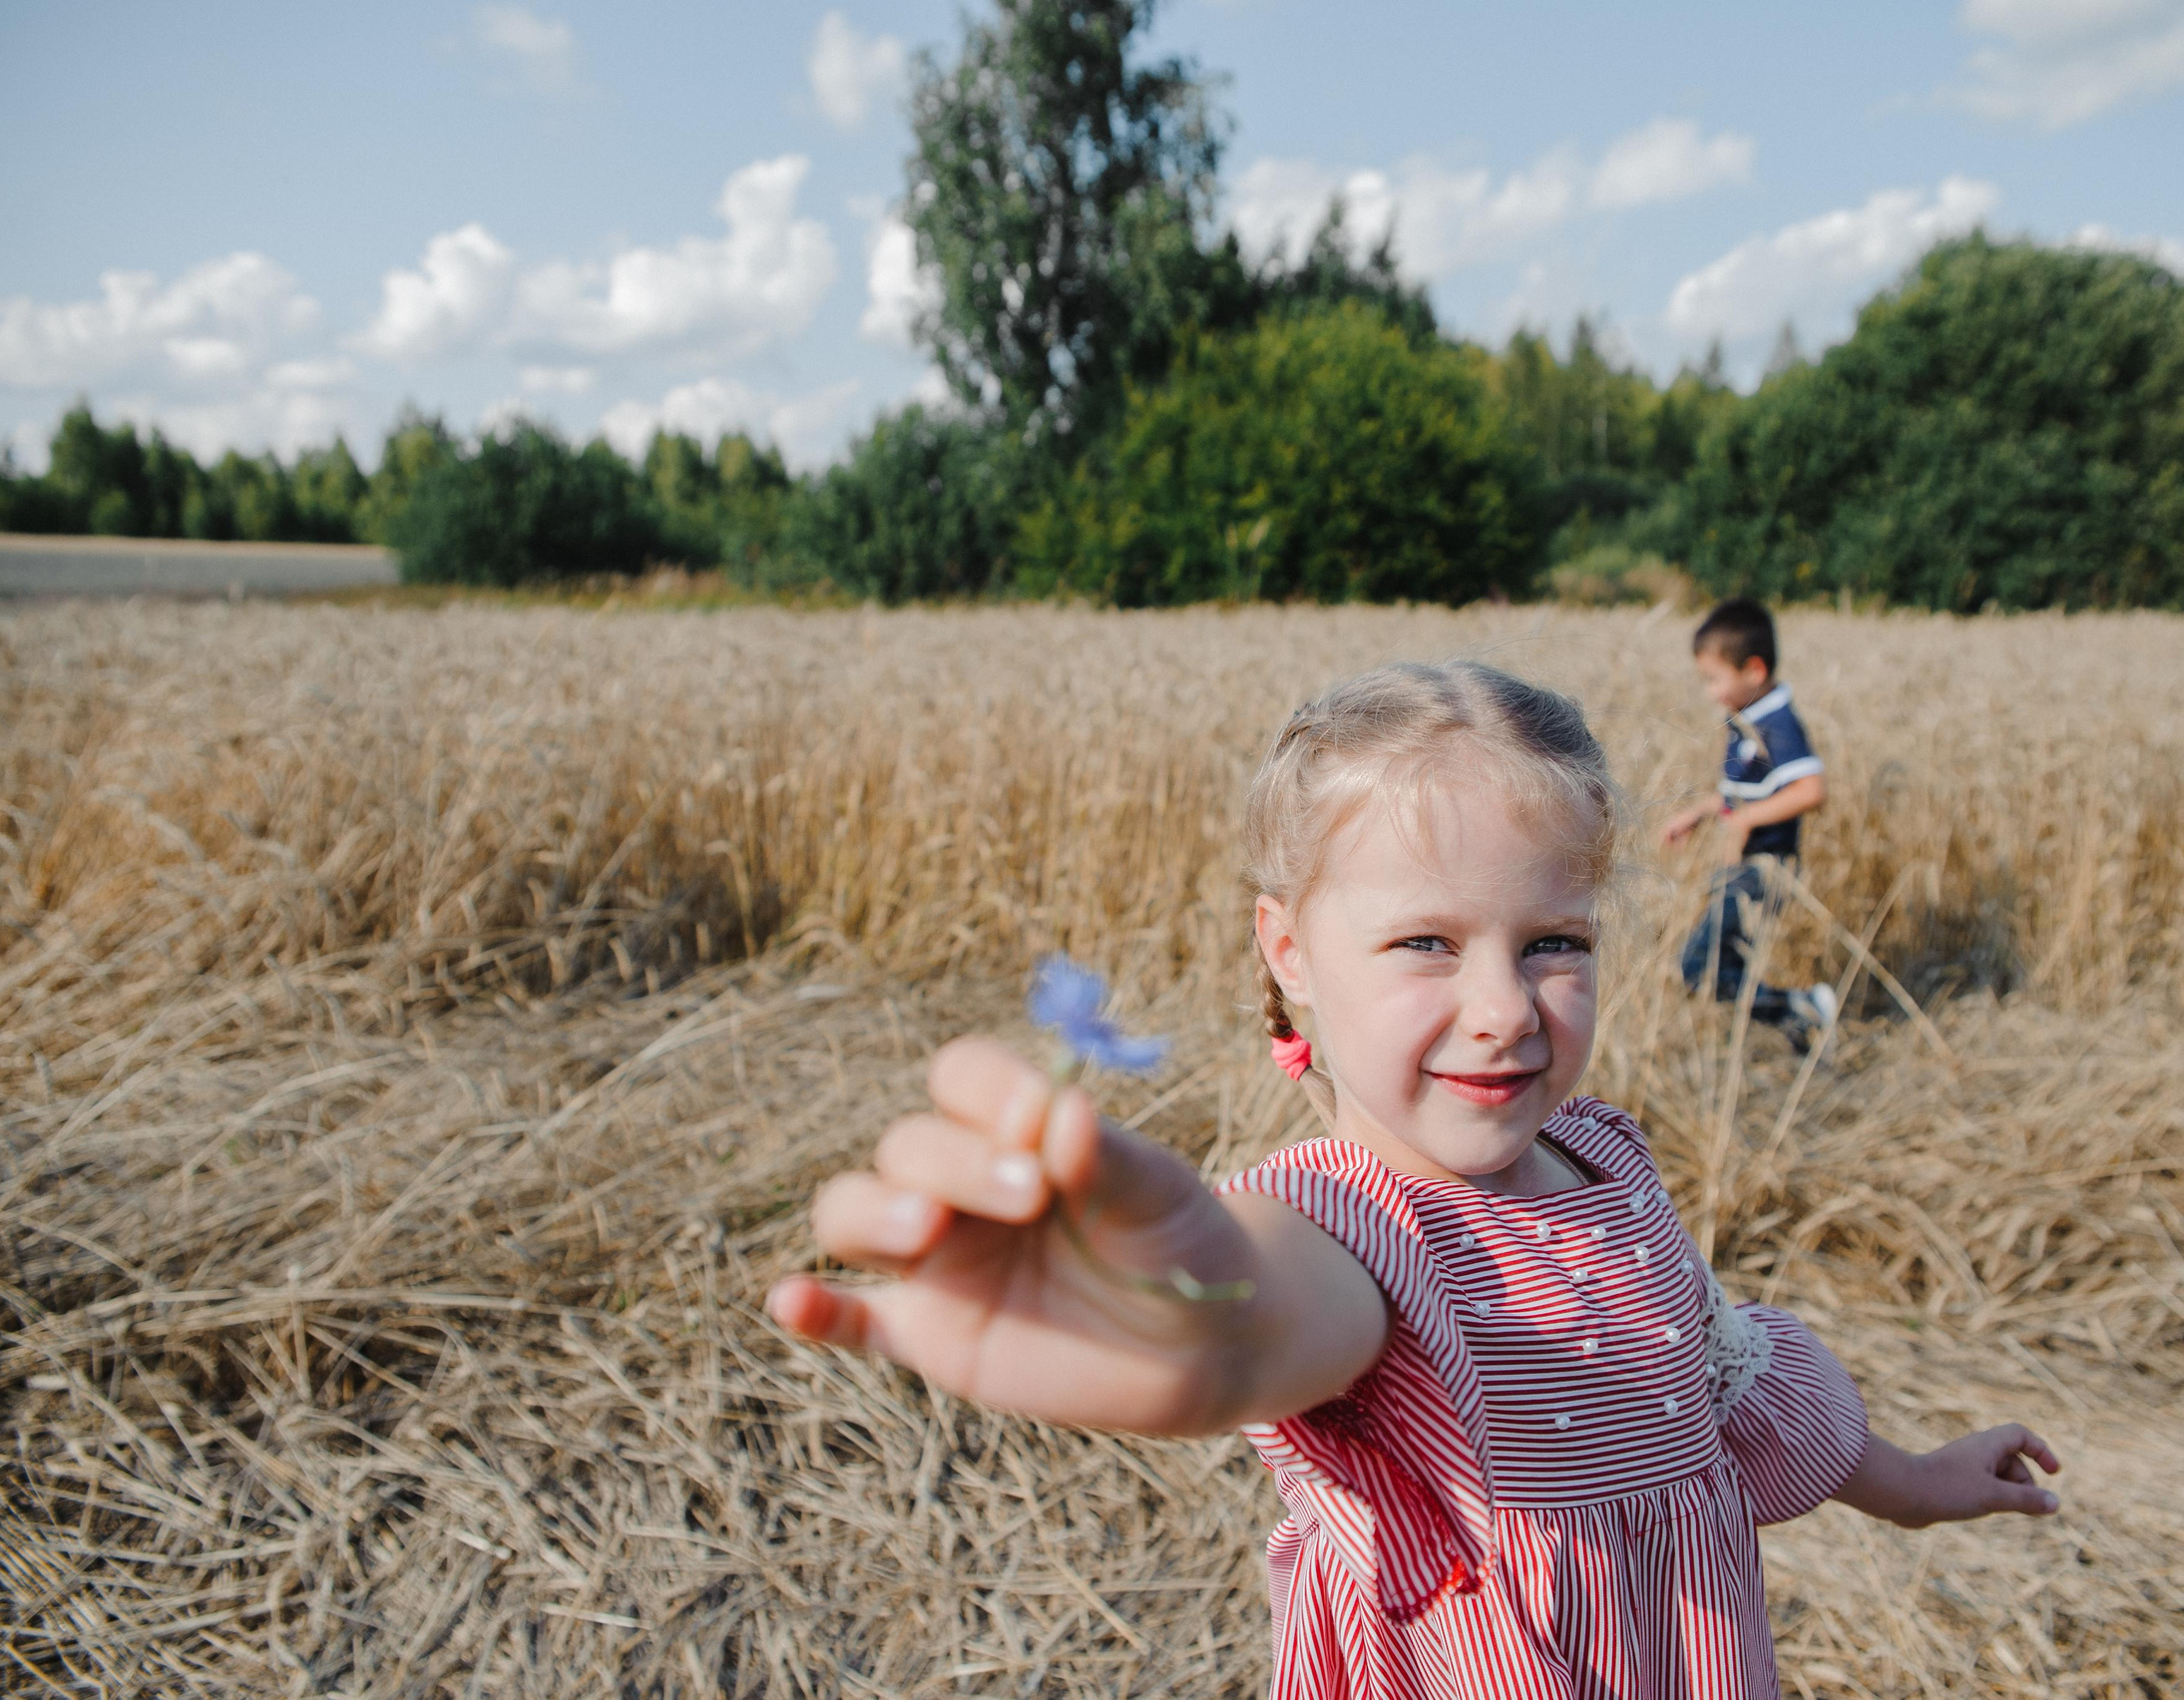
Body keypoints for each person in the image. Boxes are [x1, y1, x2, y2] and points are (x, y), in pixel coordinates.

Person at [773, 660, 2059, 1700]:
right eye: (1425, 943)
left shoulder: (1606, 1166)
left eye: (1552, 941)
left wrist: (1914, 1484)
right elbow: (1252, 1320)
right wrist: (1165, 1318)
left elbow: (1723, 1382)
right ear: (1287, 951)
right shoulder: (1348, 1230)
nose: (1503, 1008)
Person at [1660, 599, 1839, 1052]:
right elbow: (1749, 790)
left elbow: (1810, 790)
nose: (1710, 693)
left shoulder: (1778, 721)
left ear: (1754, 670)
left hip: (1763, 867)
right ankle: (1801, 1026)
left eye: (1714, 679)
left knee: (1698, 968)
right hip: (1745, 866)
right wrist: (1700, 813)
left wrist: (1744, 820)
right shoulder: (1750, 718)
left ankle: (1804, 1007)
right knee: (1720, 967)